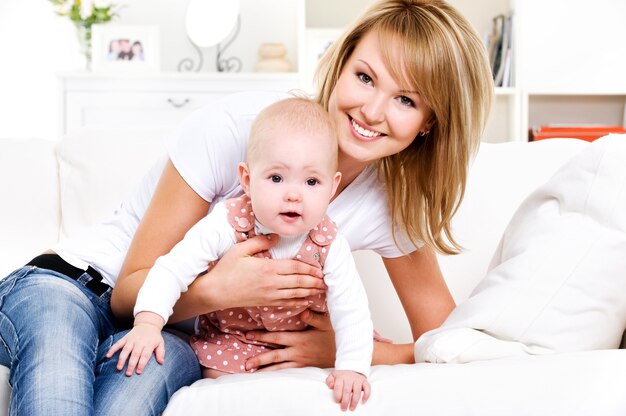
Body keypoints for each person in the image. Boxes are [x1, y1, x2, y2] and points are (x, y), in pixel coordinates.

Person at [0, 0, 492, 414]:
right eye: (364, 77)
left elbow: (444, 343)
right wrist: (220, 290)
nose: (372, 110)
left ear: (430, 121)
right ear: (340, 65)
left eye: (406, 100)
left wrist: (348, 349)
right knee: (57, 393)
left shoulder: (392, 205)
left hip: (174, 334)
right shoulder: (240, 128)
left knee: (129, 400)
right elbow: (125, 296)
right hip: (75, 287)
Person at [106, 97, 374, 411]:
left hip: (298, 344)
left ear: (332, 187)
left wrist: (352, 367)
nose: (293, 194)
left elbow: (352, 308)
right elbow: (171, 269)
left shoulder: (329, 242)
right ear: (246, 180)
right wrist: (148, 324)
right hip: (232, 338)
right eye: (276, 178)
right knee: (224, 386)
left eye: (312, 181)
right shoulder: (229, 221)